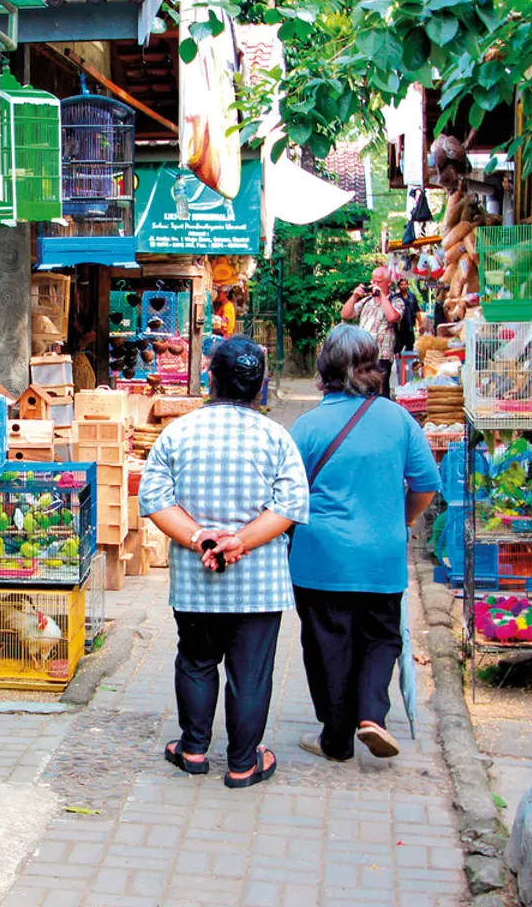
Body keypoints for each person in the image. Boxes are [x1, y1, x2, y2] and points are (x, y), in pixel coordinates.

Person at [139, 336, 309, 788]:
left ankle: (194, 750)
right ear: (260, 386)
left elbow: (154, 498)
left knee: (195, 661)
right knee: (249, 675)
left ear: (210, 378)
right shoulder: (277, 437)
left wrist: (201, 537)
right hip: (259, 584)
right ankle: (242, 763)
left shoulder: (179, 432)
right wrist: (242, 541)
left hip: (197, 580)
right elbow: (291, 505)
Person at [289, 325, 439, 762]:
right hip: (382, 554)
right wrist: (400, 520)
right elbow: (427, 484)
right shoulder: (398, 419)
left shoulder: (308, 426)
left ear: (324, 370)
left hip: (320, 558)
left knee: (326, 645)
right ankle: (372, 714)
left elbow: (287, 495)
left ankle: (335, 740)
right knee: (381, 637)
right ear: (373, 367)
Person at [339, 266, 405, 397]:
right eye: (373, 281)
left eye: (379, 282)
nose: (375, 285)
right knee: (361, 390)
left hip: (382, 356)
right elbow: (345, 314)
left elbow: (393, 317)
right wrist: (355, 296)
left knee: (380, 392)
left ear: (388, 283)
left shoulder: (396, 300)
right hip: (362, 354)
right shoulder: (367, 301)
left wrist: (381, 296)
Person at [395, 277, 421, 355]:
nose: (403, 286)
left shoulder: (412, 297)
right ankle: (398, 363)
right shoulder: (395, 297)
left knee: (410, 346)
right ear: (399, 286)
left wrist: (421, 323)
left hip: (410, 326)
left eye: (405, 284)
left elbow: (416, 311)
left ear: (408, 285)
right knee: (398, 347)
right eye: (401, 284)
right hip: (399, 328)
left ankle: (408, 365)